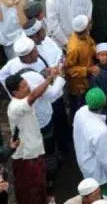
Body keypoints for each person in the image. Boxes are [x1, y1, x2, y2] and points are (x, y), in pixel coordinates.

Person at [6, 67, 59, 204]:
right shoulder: (16, 106)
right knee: (30, 190)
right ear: (14, 92)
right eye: (23, 86)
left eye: (26, 83)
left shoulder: (22, 100)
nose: (28, 87)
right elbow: (34, 95)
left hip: (34, 151)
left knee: (39, 185)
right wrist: (49, 79)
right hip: (27, 156)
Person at [72, 88, 107, 203]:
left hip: (85, 163)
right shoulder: (101, 131)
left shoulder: (81, 111)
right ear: (104, 103)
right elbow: (105, 159)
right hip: (101, 176)